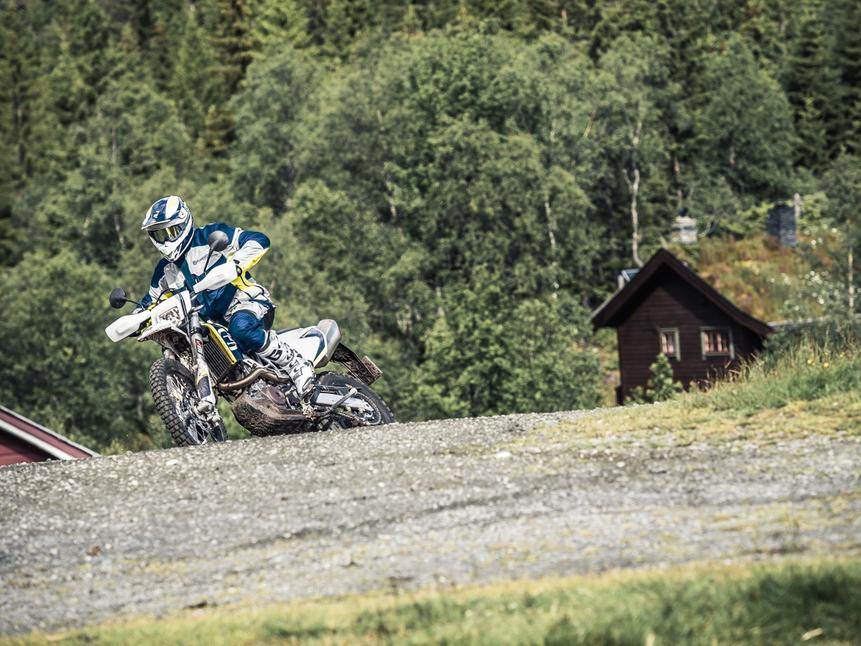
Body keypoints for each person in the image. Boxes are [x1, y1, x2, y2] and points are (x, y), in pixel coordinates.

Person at [137, 195, 317, 399]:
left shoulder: (209, 236)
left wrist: (236, 265)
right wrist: (134, 318)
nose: (166, 240)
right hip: (209, 326)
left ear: (184, 222)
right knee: (187, 348)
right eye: (160, 234)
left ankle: (296, 364)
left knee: (241, 328)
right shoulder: (164, 270)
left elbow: (258, 240)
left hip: (245, 302)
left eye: (171, 231)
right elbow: (150, 301)